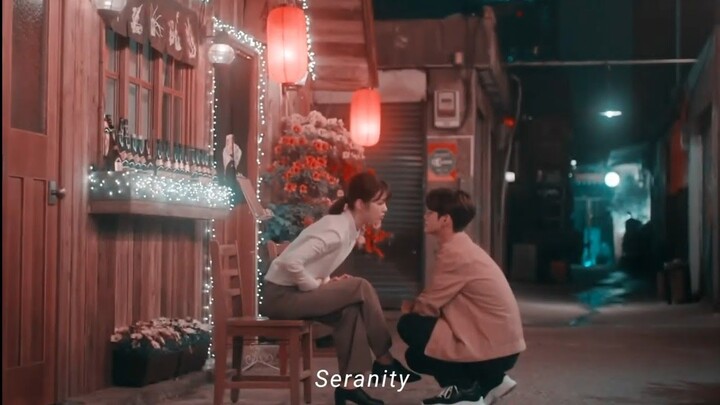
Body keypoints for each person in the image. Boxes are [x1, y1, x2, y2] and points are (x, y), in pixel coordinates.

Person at [262, 171, 420, 405]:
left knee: (350, 311)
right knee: (361, 286)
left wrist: (326, 283)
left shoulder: (351, 228)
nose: (385, 209)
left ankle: (349, 387)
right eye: (379, 203)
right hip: (280, 297)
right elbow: (290, 262)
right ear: (360, 204)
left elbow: (314, 264)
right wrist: (315, 285)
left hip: (292, 292)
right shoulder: (336, 229)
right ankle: (385, 359)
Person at [397, 188, 525, 405]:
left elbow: (428, 305)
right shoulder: (462, 247)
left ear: (445, 220)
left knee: (410, 326)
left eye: (430, 212)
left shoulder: (455, 253)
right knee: (417, 354)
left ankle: (465, 392)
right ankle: (492, 381)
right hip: (500, 345)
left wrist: (409, 309)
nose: (425, 216)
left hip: (493, 348)